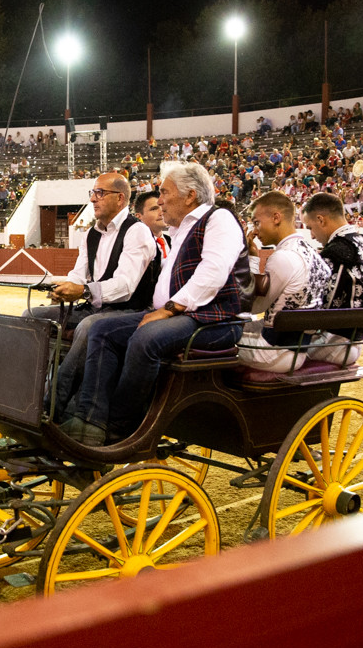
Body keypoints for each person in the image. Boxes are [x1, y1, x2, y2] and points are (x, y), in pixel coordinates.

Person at [61, 161, 252, 445]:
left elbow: (212, 273)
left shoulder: (219, 219)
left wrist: (169, 309)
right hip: (182, 317)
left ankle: (121, 425)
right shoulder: (181, 231)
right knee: (101, 330)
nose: (159, 200)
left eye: (164, 192)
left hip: (215, 320)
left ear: (190, 195)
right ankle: (90, 421)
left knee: (146, 338)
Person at [26, 172, 157, 418]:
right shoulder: (91, 234)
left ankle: (52, 404)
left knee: (88, 326)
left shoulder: (136, 231)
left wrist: (84, 290)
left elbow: (126, 286)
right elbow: (79, 273)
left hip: (130, 311)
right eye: (93, 193)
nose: (93, 199)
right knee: (32, 315)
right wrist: (63, 288)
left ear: (120, 199)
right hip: (97, 307)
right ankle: (30, 393)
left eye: (100, 193)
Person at [237, 191, 331, 372]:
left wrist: (252, 261)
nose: (255, 231)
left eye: (257, 222)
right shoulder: (314, 255)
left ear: (276, 218)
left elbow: (253, 307)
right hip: (298, 350)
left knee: (211, 340)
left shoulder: (283, 257)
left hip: (272, 352)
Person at [300, 192, 363, 365]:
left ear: (321, 220)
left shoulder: (335, 253)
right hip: (356, 342)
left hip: (329, 344)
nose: (313, 236)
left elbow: (318, 305)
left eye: (310, 228)